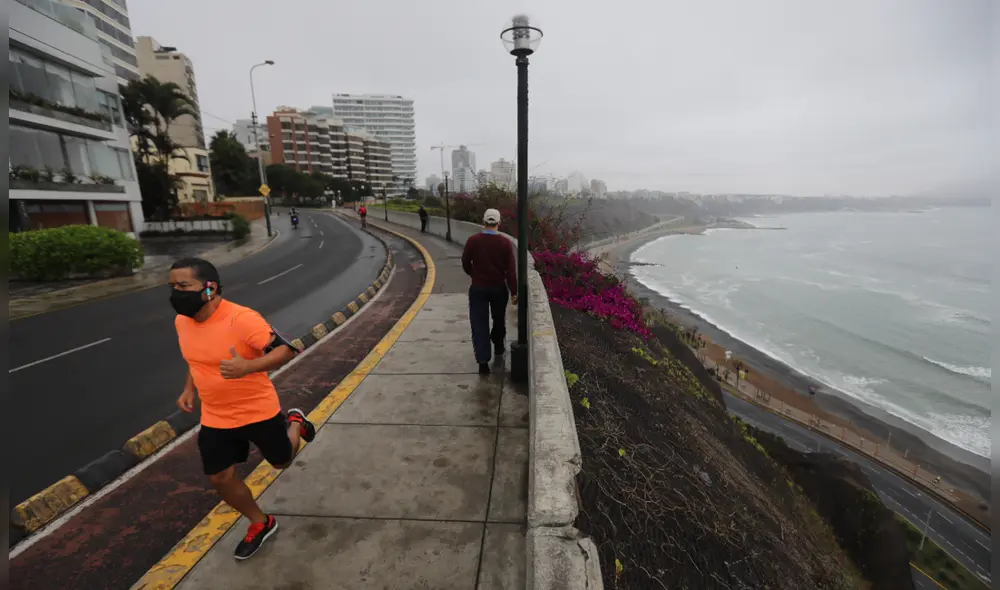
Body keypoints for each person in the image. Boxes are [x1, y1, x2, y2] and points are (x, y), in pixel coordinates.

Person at [169, 257, 316, 560]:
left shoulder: (242, 319)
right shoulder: (182, 321)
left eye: (183, 285)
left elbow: (287, 350)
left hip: (256, 409)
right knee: (220, 477)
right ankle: (261, 522)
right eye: (172, 286)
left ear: (209, 288)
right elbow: (195, 358)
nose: (175, 292)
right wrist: (188, 388)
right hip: (216, 415)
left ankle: (294, 421)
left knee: (281, 463)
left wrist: (248, 366)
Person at [461, 208, 517, 375]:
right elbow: (511, 271)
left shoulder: (473, 241)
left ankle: (483, 362)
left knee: (479, 324)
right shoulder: (505, 243)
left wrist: (474, 274)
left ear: (483, 222)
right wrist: (514, 291)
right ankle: (498, 346)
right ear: (499, 223)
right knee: (499, 319)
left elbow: (465, 262)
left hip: (478, 289)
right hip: (499, 289)